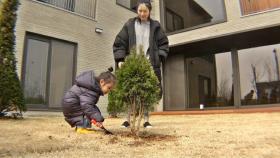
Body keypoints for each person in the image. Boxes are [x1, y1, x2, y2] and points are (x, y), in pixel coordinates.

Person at [113, 0, 169, 128]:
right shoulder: (129, 24)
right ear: (137, 11)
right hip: (132, 62)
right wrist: (121, 59)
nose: (142, 13)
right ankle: (127, 119)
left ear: (149, 11)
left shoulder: (155, 26)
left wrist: (158, 57)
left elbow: (163, 43)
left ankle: (146, 120)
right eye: (140, 11)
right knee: (129, 90)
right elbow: (120, 42)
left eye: (145, 11)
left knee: (146, 91)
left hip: (149, 63)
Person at [62, 68, 116, 134]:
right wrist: (97, 118)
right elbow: (87, 106)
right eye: (109, 88)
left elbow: (91, 105)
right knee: (88, 109)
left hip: (71, 104)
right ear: (102, 82)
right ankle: (81, 128)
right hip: (72, 105)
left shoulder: (92, 88)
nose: (109, 91)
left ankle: (80, 127)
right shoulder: (91, 89)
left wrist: (97, 118)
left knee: (91, 109)